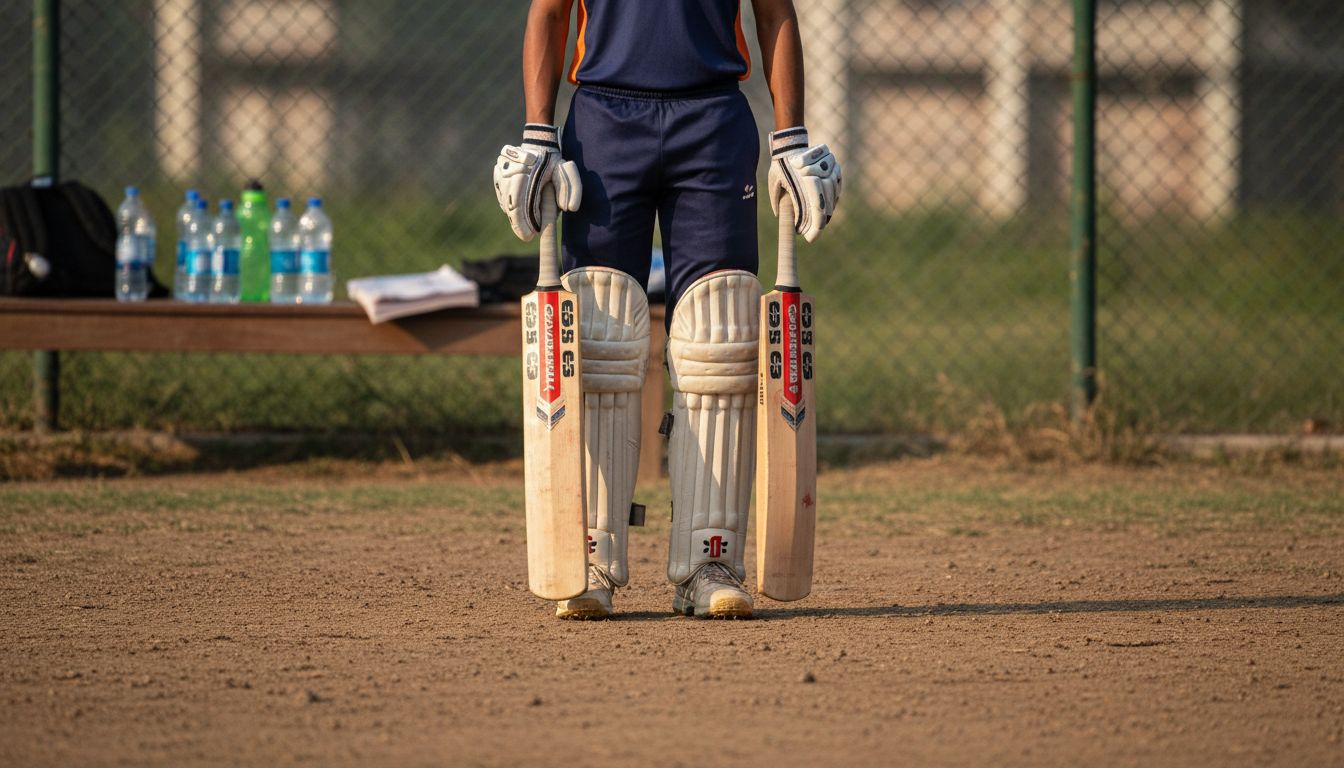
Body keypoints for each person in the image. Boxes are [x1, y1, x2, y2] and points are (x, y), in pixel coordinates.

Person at [493, 0, 841, 619]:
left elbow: (775, 14)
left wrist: (790, 134)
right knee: (598, 336)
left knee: (722, 337)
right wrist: (537, 130)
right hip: (602, 120)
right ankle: (591, 557)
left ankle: (711, 560)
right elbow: (548, 12)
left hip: (711, 118)